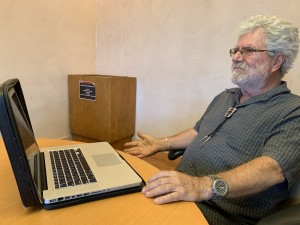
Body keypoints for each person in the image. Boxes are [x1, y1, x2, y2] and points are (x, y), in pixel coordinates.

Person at [124, 15, 300, 225]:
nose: (235, 57)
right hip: (179, 194)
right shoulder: (226, 96)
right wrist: (161, 143)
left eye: (248, 50)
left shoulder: (292, 110)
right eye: (235, 50)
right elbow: (199, 131)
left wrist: (202, 186)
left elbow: (272, 169)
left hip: (216, 214)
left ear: (277, 61)